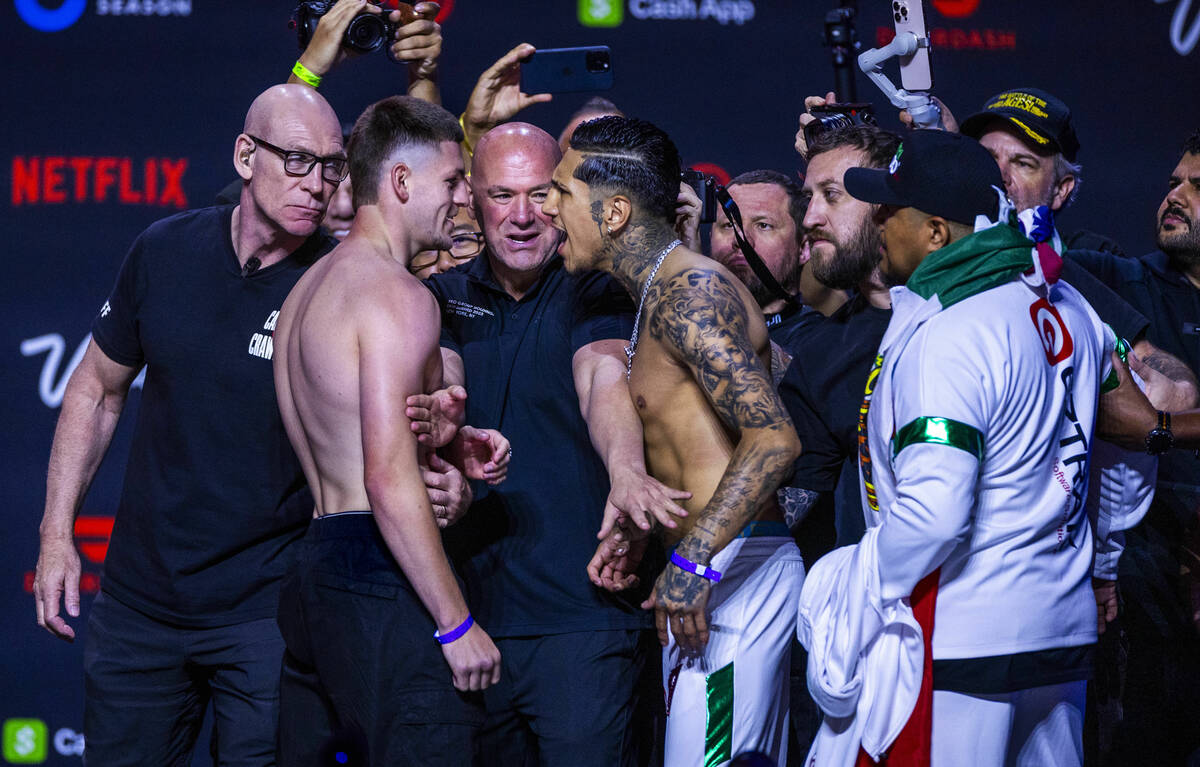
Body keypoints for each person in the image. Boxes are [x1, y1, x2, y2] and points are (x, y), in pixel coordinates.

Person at [31, 84, 343, 765]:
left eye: (330, 165)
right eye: (295, 159)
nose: (316, 183)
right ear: (244, 155)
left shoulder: (339, 280)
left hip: (266, 614)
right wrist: (56, 533)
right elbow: (95, 389)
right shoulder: (164, 249)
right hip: (141, 605)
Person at [810, 128, 1114, 766]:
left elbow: (935, 513)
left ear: (937, 233)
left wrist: (859, 587)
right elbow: (1128, 462)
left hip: (965, 642)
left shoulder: (950, 333)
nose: (879, 221)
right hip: (1062, 631)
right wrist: (1103, 561)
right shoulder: (1073, 309)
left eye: (892, 209)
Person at [419, 121, 689, 767]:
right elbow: (446, 375)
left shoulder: (595, 284)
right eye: (500, 195)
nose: (520, 216)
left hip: (584, 621)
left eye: (540, 194)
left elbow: (602, 376)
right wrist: (449, 421)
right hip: (469, 623)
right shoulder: (440, 297)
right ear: (470, 201)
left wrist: (627, 471)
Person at [547, 115, 804, 767]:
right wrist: (652, 536)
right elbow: (703, 442)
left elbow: (774, 440)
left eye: (561, 192)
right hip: (709, 577)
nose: (547, 208)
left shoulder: (692, 290)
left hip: (734, 575)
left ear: (614, 212)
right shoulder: (661, 291)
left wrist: (691, 560)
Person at [272, 94, 505, 766]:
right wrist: (456, 622)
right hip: (379, 564)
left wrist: (453, 441)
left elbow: (349, 429)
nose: (463, 201)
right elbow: (386, 472)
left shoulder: (307, 291)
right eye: (453, 181)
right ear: (400, 182)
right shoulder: (398, 295)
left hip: (316, 569)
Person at [1065, 130, 1200, 766]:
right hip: (1142, 577)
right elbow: (1014, 248)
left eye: (1198, 188)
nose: (1175, 195)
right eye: (1175, 181)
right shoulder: (1114, 278)